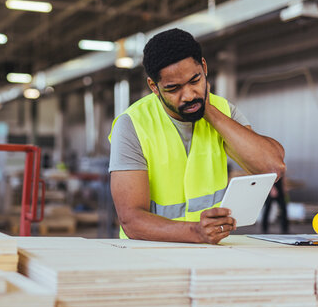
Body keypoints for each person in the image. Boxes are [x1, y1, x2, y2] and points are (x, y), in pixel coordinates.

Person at [109, 28, 286, 244]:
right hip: (149, 255)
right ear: (154, 87)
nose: (189, 95)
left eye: (195, 80)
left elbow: (272, 167)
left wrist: (209, 112)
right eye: (173, 88)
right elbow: (131, 220)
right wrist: (196, 232)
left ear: (204, 67)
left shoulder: (222, 111)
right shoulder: (132, 125)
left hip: (208, 255)